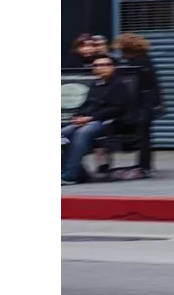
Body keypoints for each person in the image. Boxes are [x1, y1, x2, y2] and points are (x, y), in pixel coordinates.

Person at [62, 54, 133, 184]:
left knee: (82, 133)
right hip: (88, 121)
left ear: (113, 67)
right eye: (97, 65)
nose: (100, 68)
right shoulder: (95, 85)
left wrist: (90, 118)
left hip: (108, 123)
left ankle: (71, 175)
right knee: (63, 134)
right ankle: (74, 171)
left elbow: (117, 109)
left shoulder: (118, 85)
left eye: (105, 65)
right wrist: (78, 116)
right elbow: (87, 105)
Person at [112, 32, 164, 178]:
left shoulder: (138, 63)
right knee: (144, 135)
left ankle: (144, 167)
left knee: (143, 136)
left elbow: (138, 85)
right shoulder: (144, 59)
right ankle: (144, 165)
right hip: (147, 103)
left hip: (144, 104)